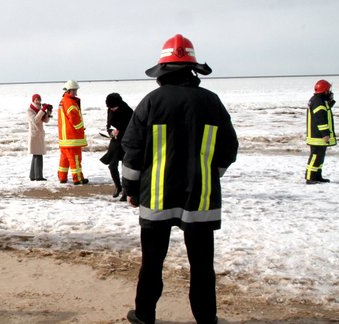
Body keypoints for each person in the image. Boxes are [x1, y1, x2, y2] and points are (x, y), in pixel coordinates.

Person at [121, 34, 238, 324]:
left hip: (156, 198)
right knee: (201, 266)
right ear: (192, 70)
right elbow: (228, 149)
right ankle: (206, 319)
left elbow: (132, 151)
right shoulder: (211, 102)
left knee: (152, 262)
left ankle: (144, 314)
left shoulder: (151, 102)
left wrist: (130, 189)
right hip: (200, 197)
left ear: (162, 72)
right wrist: (210, 176)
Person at [100, 93, 133, 200]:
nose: (112, 109)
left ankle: (125, 191)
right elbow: (108, 125)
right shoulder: (110, 108)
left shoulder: (128, 111)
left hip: (126, 141)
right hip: (115, 141)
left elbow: (133, 128)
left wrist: (120, 130)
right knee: (112, 165)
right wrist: (110, 132)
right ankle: (118, 187)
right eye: (110, 108)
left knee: (125, 167)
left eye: (114, 107)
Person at [305, 79, 337, 184]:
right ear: (324, 91)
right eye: (328, 91)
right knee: (315, 157)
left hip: (318, 136)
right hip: (317, 137)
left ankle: (317, 176)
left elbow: (323, 113)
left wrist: (329, 104)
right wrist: (325, 134)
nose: (330, 92)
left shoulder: (318, 101)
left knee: (319, 158)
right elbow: (320, 119)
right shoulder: (318, 102)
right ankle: (310, 178)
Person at [57, 80, 89, 185]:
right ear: (69, 90)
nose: (76, 92)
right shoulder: (70, 102)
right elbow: (75, 120)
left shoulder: (63, 101)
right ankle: (78, 178)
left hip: (64, 138)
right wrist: (81, 129)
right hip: (72, 138)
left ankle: (62, 177)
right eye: (74, 90)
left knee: (64, 159)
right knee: (75, 159)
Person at [27, 93, 52, 181]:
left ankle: (33, 176)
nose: (38, 101)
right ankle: (38, 176)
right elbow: (35, 120)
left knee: (37, 155)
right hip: (34, 135)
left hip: (39, 135)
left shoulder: (39, 110)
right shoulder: (30, 110)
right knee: (37, 155)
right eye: (37, 99)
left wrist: (48, 111)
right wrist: (42, 110)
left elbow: (46, 120)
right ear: (33, 100)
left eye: (39, 99)